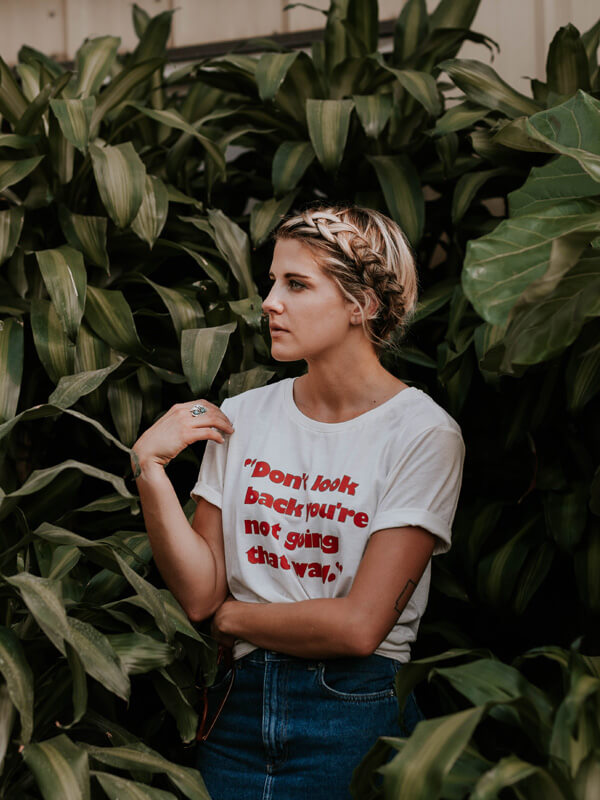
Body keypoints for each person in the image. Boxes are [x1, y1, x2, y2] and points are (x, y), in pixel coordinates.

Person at [131, 205, 465, 800]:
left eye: (296, 284)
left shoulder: (422, 434)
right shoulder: (247, 415)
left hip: (354, 709)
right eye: (272, 282)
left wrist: (234, 619)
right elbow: (201, 593)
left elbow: (360, 627)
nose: (269, 303)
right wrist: (149, 469)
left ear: (362, 304)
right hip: (234, 712)